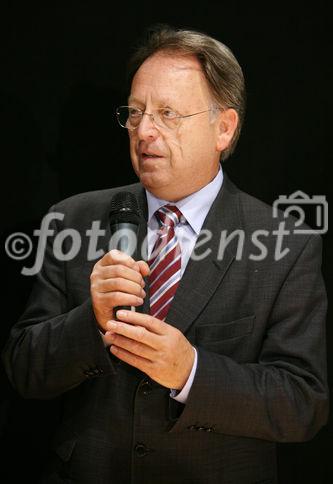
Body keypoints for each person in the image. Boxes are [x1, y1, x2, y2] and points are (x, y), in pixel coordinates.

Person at [2, 24, 328, 484]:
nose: (144, 131)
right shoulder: (72, 219)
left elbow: (302, 403)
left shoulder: (287, 245)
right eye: (134, 113)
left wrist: (191, 372)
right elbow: (23, 371)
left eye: (168, 113)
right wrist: (90, 321)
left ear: (224, 127)